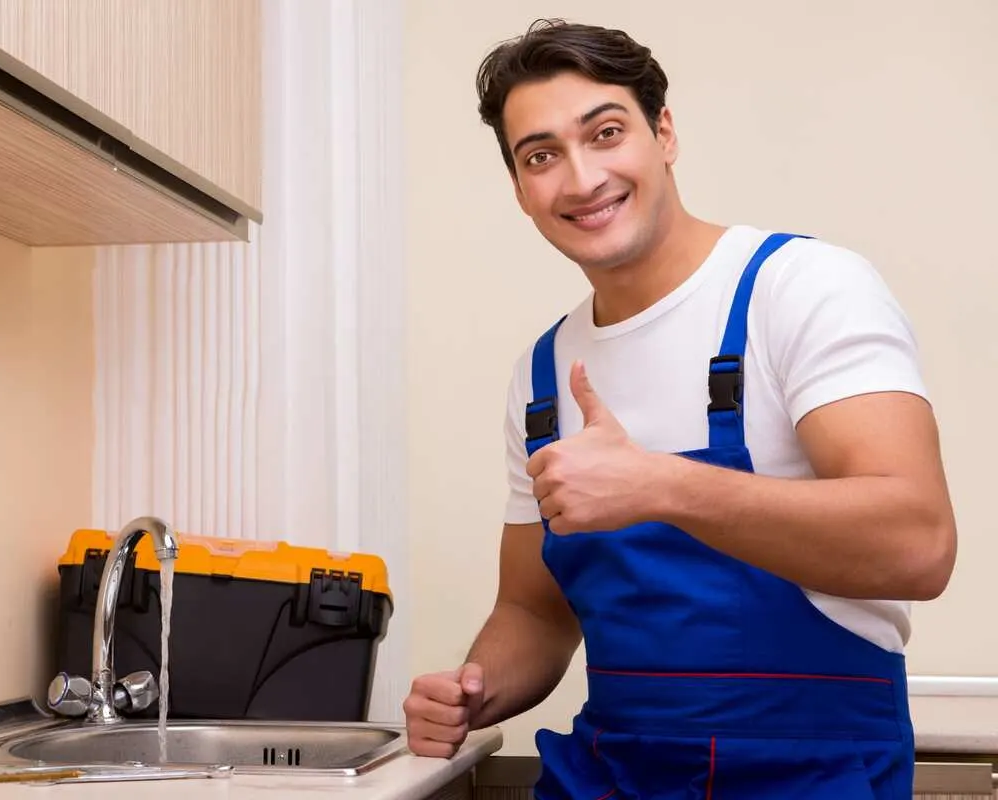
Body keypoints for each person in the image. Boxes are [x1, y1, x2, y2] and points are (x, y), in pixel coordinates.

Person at [401, 18, 958, 800]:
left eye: (605, 132)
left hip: (813, 773)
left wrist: (661, 487)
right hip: (611, 776)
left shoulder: (800, 289)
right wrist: (473, 688)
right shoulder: (542, 374)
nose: (581, 177)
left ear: (663, 133)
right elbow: (534, 608)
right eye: (541, 155)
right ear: (520, 189)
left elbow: (919, 542)